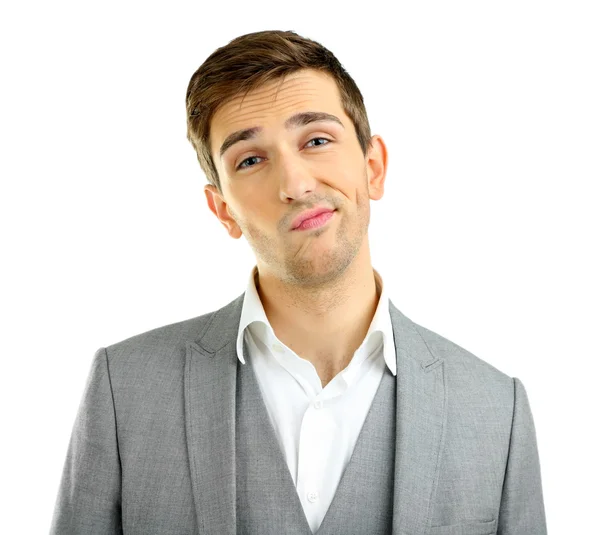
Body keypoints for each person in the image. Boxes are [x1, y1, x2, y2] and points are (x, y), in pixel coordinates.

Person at [50, 30, 547, 534]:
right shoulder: (124, 389)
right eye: (250, 159)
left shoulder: (496, 410)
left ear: (373, 168)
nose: (295, 184)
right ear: (223, 210)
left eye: (316, 140)